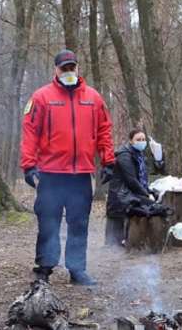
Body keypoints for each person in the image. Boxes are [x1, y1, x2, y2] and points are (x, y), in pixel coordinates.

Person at [20, 49, 115, 286]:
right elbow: (30, 132)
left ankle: (77, 269)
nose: (68, 72)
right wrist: (29, 166)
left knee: (79, 223)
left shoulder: (93, 98)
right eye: (64, 68)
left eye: (72, 67)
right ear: (56, 70)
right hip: (51, 173)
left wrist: (108, 161)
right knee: (48, 221)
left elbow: (104, 130)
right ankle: (44, 268)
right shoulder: (41, 97)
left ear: (78, 68)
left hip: (81, 173)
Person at [105, 129, 165, 246]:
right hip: (121, 196)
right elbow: (132, 180)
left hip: (130, 194)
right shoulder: (125, 156)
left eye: (143, 139)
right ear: (131, 141)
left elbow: (149, 175)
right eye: (138, 140)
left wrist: (159, 158)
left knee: (158, 205)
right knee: (153, 207)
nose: (142, 142)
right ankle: (139, 243)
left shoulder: (139, 156)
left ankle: (142, 242)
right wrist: (147, 195)